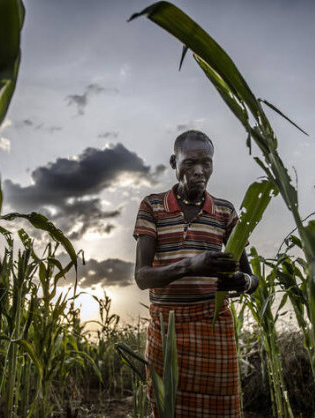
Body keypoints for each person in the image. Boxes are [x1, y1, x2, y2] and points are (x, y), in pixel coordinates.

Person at [133, 130, 258, 417]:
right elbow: (142, 277)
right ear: (174, 163)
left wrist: (241, 281)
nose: (199, 171)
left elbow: (252, 280)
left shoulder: (225, 212)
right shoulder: (152, 207)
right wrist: (190, 265)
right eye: (190, 163)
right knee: (167, 409)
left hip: (213, 327)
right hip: (167, 329)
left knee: (221, 409)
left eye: (206, 163)